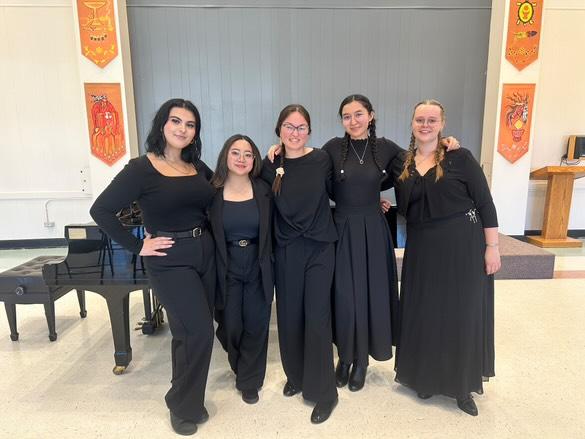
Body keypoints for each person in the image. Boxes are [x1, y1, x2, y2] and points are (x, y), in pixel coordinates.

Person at [268, 94, 458, 392]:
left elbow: (417, 160)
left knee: (369, 297)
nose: (353, 120)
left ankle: (362, 362)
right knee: (343, 298)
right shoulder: (331, 149)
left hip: (372, 230)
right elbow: (306, 167)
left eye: (359, 114)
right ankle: (344, 357)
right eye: (347, 116)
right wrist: (278, 149)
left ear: (371, 115)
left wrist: (443, 143)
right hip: (341, 229)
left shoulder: (386, 148)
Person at [90, 98, 216, 435]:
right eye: (176, 121)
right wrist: (138, 245)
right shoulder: (141, 168)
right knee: (200, 332)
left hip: (204, 252)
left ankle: (186, 396)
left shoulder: (196, 166)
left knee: (187, 333)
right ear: (162, 124)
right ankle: (182, 405)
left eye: (190, 124)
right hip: (169, 258)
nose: (182, 129)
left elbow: (220, 192)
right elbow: (101, 210)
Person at [390, 99, 500, 416]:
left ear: (442, 124)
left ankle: (461, 387)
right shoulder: (403, 163)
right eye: (420, 119)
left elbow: (485, 202)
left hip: (461, 246)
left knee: (459, 313)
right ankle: (425, 377)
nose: (425, 125)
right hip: (422, 248)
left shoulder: (459, 157)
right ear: (412, 123)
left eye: (432, 120)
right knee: (425, 312)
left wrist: (492, 246)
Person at [261, 104, 338, 424]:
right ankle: (296, 376)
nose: (295, 133)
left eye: (301, 127)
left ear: (309, 131)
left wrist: (374, 200)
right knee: (290, 316)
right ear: (279, 130)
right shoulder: (269, 165)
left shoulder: (321, 159)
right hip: (287, 249)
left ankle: (325, 393)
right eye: (289, 127)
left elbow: (345, 188)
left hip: (319, 248)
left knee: (317, 318)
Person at [209, 134, 273, 405]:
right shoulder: (211, 192)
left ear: (254, 160)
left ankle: (250, 380)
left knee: (257, 325)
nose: (242, 159)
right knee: (231, 325)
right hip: (227, 265)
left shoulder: (264, 190)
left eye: (248, 154)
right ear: (225, 156)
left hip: (258, 263)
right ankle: (240, 365)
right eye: (235, 152)